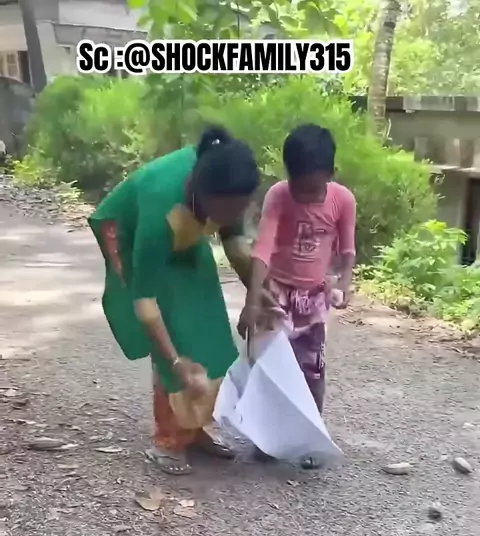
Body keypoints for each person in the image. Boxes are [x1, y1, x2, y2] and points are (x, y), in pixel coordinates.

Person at [89, 125, 267, 475]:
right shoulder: (160, 209)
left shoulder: (226, 187)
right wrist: (174, 361)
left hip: (185, 234)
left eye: (240, 209)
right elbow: (145, 301)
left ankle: (194, 429)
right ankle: (167, 439)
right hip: (132, 236)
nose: (234, 217)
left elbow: (235, 247)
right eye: (229, 211)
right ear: (204, 195)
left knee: (209, 328)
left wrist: (257, 298)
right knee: (173, 333)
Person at [239, 123, 356, 469]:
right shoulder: (279, 195)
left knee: (311, 373)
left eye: (312, 188)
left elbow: (347, 249)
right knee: (268, 368)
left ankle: (310, 436)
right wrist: (252, 300)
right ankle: (266, 437)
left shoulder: (342, 201)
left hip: (314, 300)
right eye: (297, 186)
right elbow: (263, 247)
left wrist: (344, 283)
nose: (303, 196)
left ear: (331, 174)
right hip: (276, 294)